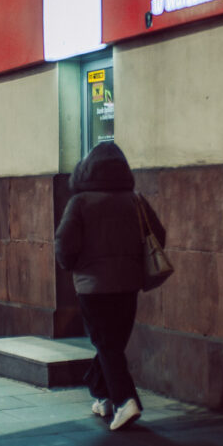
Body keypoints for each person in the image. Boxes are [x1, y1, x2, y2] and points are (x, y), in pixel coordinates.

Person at [55, 142, 166, 430]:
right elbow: (159, 235)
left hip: (93, 287)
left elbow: (65, 244)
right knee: (112, 344)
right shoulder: (135, 200)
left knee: (107, 344)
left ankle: (125, 400)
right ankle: (103, 395)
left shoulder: (79, 202)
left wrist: (74, 266)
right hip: (128, 285)